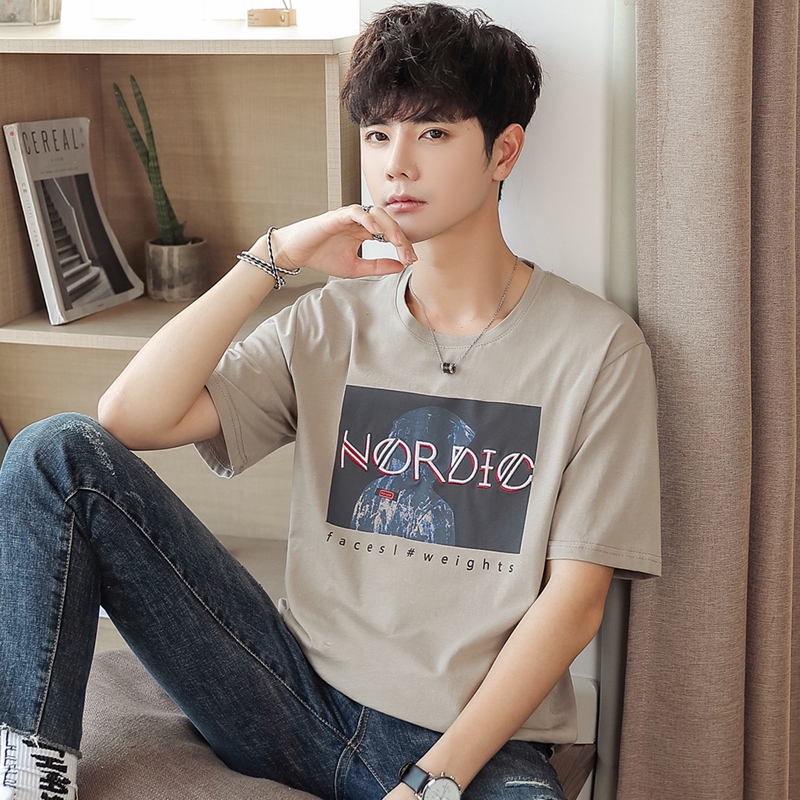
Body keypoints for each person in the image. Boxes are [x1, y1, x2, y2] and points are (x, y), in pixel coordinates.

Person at [0, 4, 661, 800]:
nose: (397, 166)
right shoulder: (328, 322)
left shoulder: (597, 350)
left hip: (472, 745)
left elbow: (576, 601)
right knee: (54, 452)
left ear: (504, 151)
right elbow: (129, 418)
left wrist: (435, 781)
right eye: (377, 135)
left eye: (434, 133)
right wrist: (272, 258)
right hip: (286, 694)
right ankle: (31, 781)